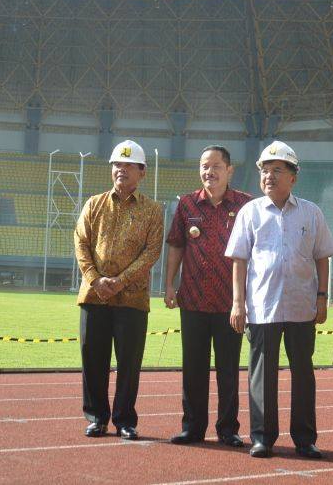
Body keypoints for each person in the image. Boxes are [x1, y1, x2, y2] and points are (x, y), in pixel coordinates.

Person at [225, 141, 333, 459]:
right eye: (264, 170)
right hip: (262, 306)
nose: (269, 176)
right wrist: (238, 303)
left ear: (293, 177)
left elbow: (322, 257)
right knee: (261, 374)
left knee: (303, 373)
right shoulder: (250, 212)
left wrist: (321, 297)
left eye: (277, 170)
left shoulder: (311, 212)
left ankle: (305, 439)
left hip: (302, 306)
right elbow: (239, 260)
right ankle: (262, 437)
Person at [74, 139, 164, 440]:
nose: (120, 170)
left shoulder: (153, 211)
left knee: (129, 363)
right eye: (116, 164)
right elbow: (81, 243)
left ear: (142, 172)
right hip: (93, 296)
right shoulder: (93, 203)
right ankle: (97, 417)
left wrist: (120, 281)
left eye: (127, 165)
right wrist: (95, 279)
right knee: (93, 359)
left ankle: (125, 419)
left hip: (133, 300)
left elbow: (152, 252)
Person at [164, 145, 252, 448]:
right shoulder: (187, 204)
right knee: (193, 369)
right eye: (204, 166)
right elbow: (176, 245)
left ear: (230, 170)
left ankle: (228, 429)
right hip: (193, 301)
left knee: (229, 370)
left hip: (231, 304)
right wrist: (168, 284)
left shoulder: (246, 205)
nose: (208, 172)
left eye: (215, 166)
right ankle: (193, 427)